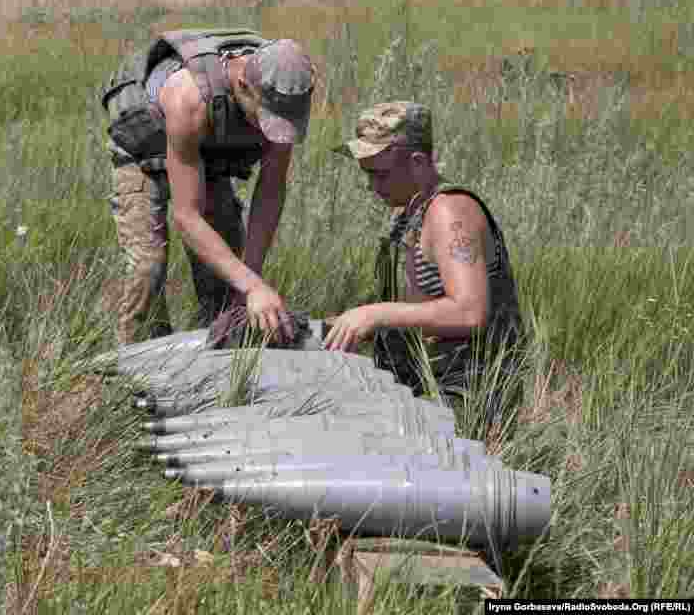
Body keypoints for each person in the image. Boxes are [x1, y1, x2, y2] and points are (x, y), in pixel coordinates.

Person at [100, 29, 316, 347]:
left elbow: (270, 191)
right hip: (145, 152)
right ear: (243, 86)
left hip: (207, 156)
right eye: (264, 119)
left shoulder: (284, 97)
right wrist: (253, 287)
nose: (270, 131)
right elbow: (187, 216)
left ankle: (221, 363)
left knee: (228, 279)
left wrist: (250, 278)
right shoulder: (189, 96)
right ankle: (136, 371)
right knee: (147, 269)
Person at [326, 102, 524, 406]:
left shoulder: (448, 211)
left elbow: (469, 312)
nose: (371, 185)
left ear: (418, 163)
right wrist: (349, 324)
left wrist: (375, 315)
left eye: (380, 174)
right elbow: (422, 309)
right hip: (430, 386)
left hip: (468, 394)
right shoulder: (411, 214)